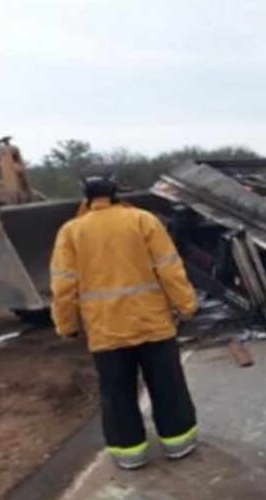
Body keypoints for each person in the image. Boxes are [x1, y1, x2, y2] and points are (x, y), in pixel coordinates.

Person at [50, 167, 199, 470]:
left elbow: (63, 286)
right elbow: (170, 269)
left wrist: (67, 326)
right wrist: (186, 306)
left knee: (116, 393)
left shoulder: (71, 232)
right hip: (153, 325)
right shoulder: (143, 221)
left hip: (106, 332)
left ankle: (130, 453)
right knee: (168, 386)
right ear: (117, 190)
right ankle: (178, 443)